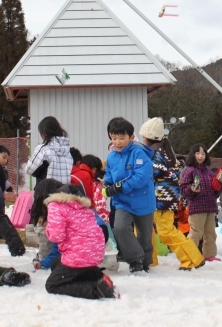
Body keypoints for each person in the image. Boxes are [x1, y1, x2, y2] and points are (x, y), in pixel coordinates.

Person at [140, 118, 204, 270]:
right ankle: (150, 259)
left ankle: (192, 258)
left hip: (162, 198)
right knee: (147, 228)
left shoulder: (154, 154)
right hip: (167, 197)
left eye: (143, 136)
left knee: (165, 231)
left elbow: (150, 172)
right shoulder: (165, 150)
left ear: (148, 137)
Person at [44, 183, 118, 299]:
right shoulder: (84, 207)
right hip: (94, 254)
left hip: (78, 256)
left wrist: (48, 229)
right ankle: (97, 276)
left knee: (52, 285)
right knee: (56, 264)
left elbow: (56, 236)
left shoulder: (56, 206)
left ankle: (96, 289)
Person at [102, 118, 156, 273]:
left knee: (144, 234)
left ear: (131, 137)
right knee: (119, 227)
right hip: (123, 202)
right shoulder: (112, 156)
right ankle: (135, 259)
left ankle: (144, 262)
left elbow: (142, 176)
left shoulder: (138, 153)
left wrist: (119, 187)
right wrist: (107, 184)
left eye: (121, 138)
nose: (117, 142)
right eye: (114, 138)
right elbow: (109, 174)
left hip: (143, 200)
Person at [181, 143, 222, 262]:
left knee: (210, 233)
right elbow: (184, 189)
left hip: (210, 206)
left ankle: (209, 254)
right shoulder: (189, 171)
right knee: (195, 232)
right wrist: (191, 189)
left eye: (203, 153)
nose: (200, 156)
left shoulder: (209, 172)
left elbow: (215, 191)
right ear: (192, 155)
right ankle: (189, 254)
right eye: (198, 153)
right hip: (197, 207)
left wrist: (219, 185)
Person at [25, 116, 74, 183]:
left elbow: (29, 169)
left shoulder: (43, 149)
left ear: (44, 133)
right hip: (64, 191)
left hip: (47, 190)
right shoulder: (67, 151)